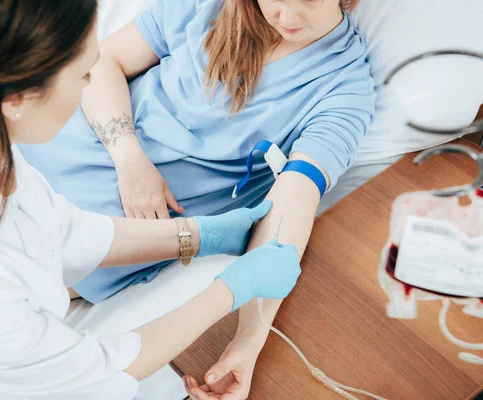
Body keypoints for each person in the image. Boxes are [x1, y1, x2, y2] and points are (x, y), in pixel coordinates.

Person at [0, 1, 302, 399]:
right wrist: (232, 289)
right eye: (84, 75)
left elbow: (61, 229)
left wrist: (197, 234)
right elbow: (101, 370)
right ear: (18, 98)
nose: (91, 83)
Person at [19, 0, 375, 397]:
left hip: (106, 234)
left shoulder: (344, 88)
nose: (288, 18)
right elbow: (103, 62)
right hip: (41, 149)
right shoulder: (206, 6)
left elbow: (293, 205)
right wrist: (130, 160)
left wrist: (248, 342)